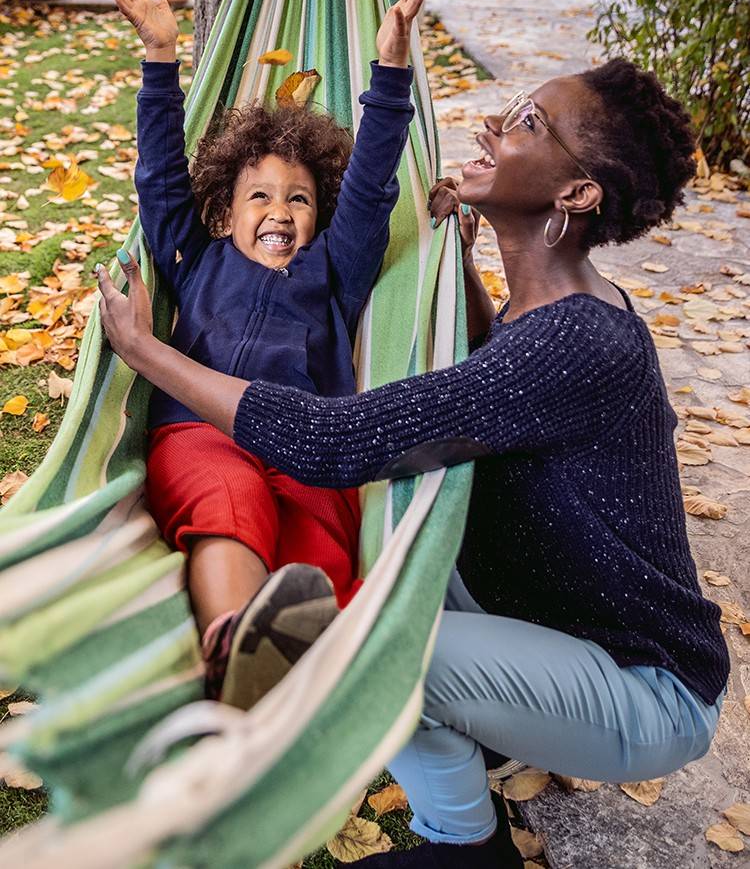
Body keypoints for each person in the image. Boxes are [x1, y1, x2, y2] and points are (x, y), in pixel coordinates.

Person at [97, 47, 729, 868]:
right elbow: (494, 364)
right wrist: (456, 261)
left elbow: (337, 443)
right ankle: (469, 834)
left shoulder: (577, 341)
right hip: (538, 611)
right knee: (383, 576)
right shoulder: (552, 311)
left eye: (527, 124)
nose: (494, 127)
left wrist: (147, 352)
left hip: (643, 683)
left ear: (575, 194)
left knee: (367, 643)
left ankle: (451, 834)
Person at [103, 0, 430, 711]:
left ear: (320, 216)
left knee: (316, 551)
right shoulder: (197, 258)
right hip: (202, 433)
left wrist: (391, 67)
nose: (279, 210)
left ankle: (292, 662)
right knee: (227, 501)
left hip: (311, 444)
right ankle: (231, 643)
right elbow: (158, 180)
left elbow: (375, 185)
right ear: (224, 212)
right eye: (259, 195)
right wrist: (159, 58)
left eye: (299, 198)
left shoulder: (336, 271)